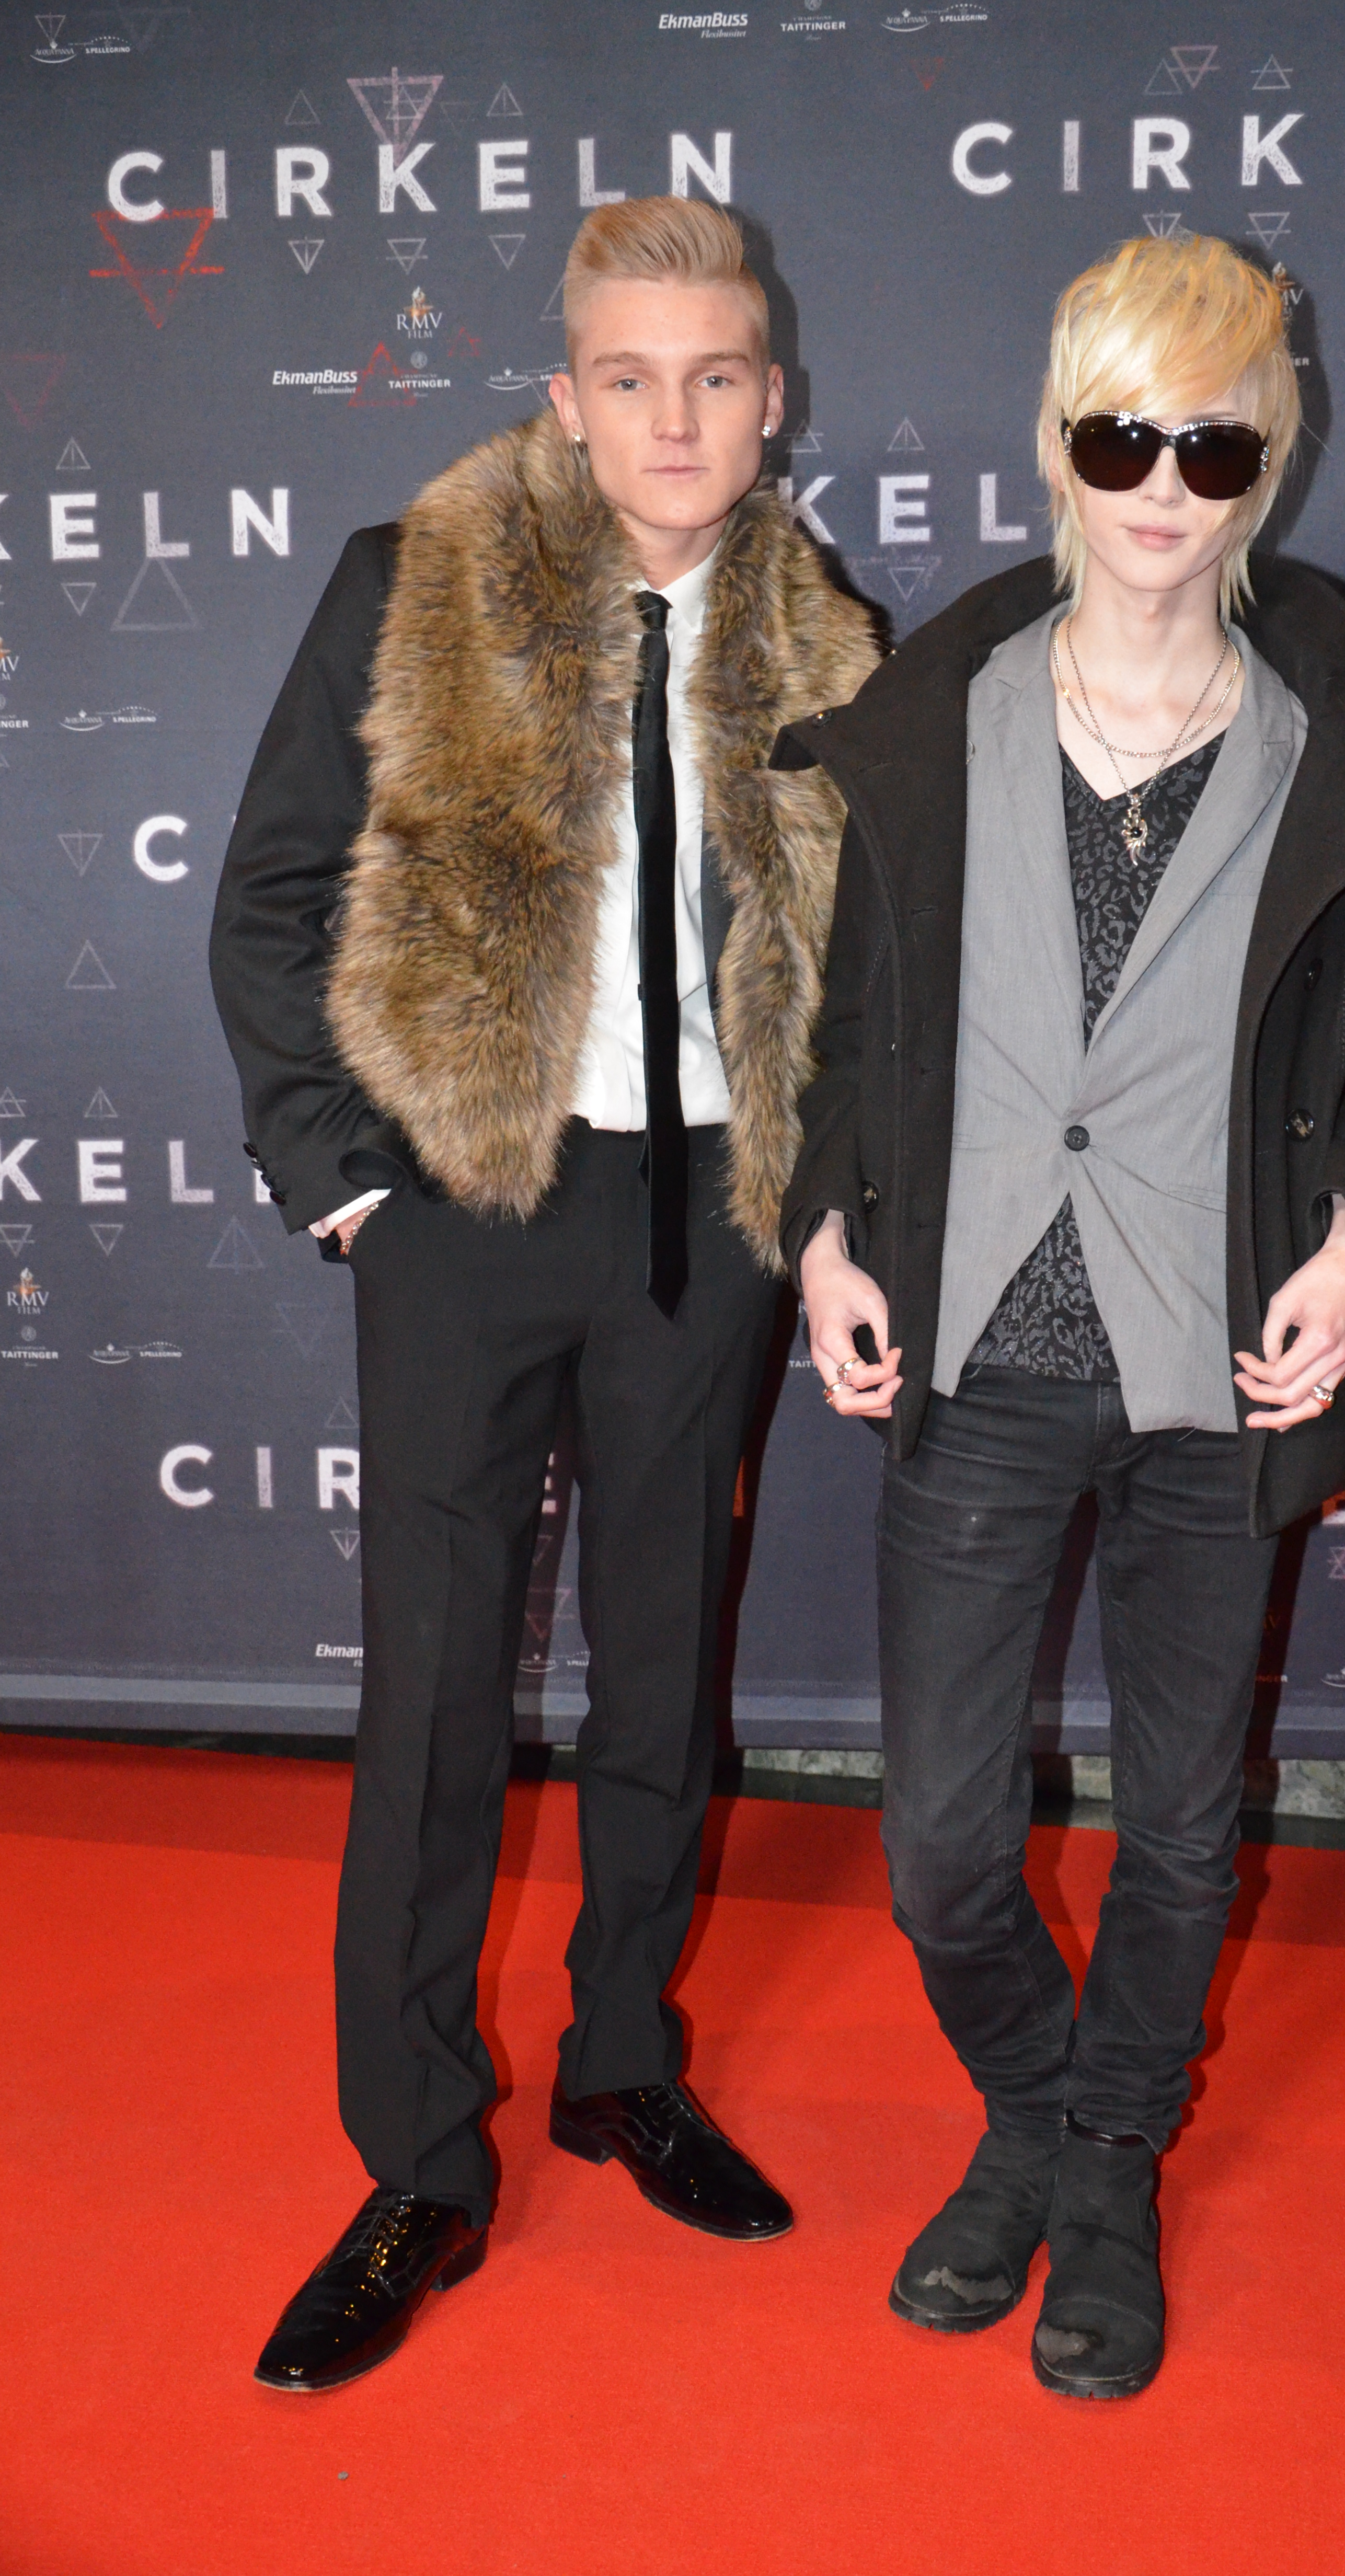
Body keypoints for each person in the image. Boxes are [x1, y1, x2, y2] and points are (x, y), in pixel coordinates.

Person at [779, 234, 1345, 2401]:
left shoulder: (1327, 736)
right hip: (980, 1355)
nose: (1164, 485)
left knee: (1176, 1828)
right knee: (940, 1847)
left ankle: (1102, 2165)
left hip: (1209, 1374)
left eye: (1215, 444)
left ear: (1274, 455)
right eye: (1120, 435)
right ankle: (1037, 2105)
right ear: (1055, 442)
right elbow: (854, 1042)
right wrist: (826, 1239)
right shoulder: (941, 717)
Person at [210, 197, 878, 2393]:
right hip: (464, 1203)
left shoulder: (831, 643)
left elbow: (866, 964)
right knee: (434, 1694)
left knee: (664, 1665)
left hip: (710, 1215)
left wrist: (824, 1202)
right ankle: (416, 2156)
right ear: (567, 395)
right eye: (629, 376)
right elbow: (271, 893)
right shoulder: (411, 584)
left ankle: (621, 2062)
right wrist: (348, 1187)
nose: (674, 418)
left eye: (716, 377)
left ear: (771, 400)